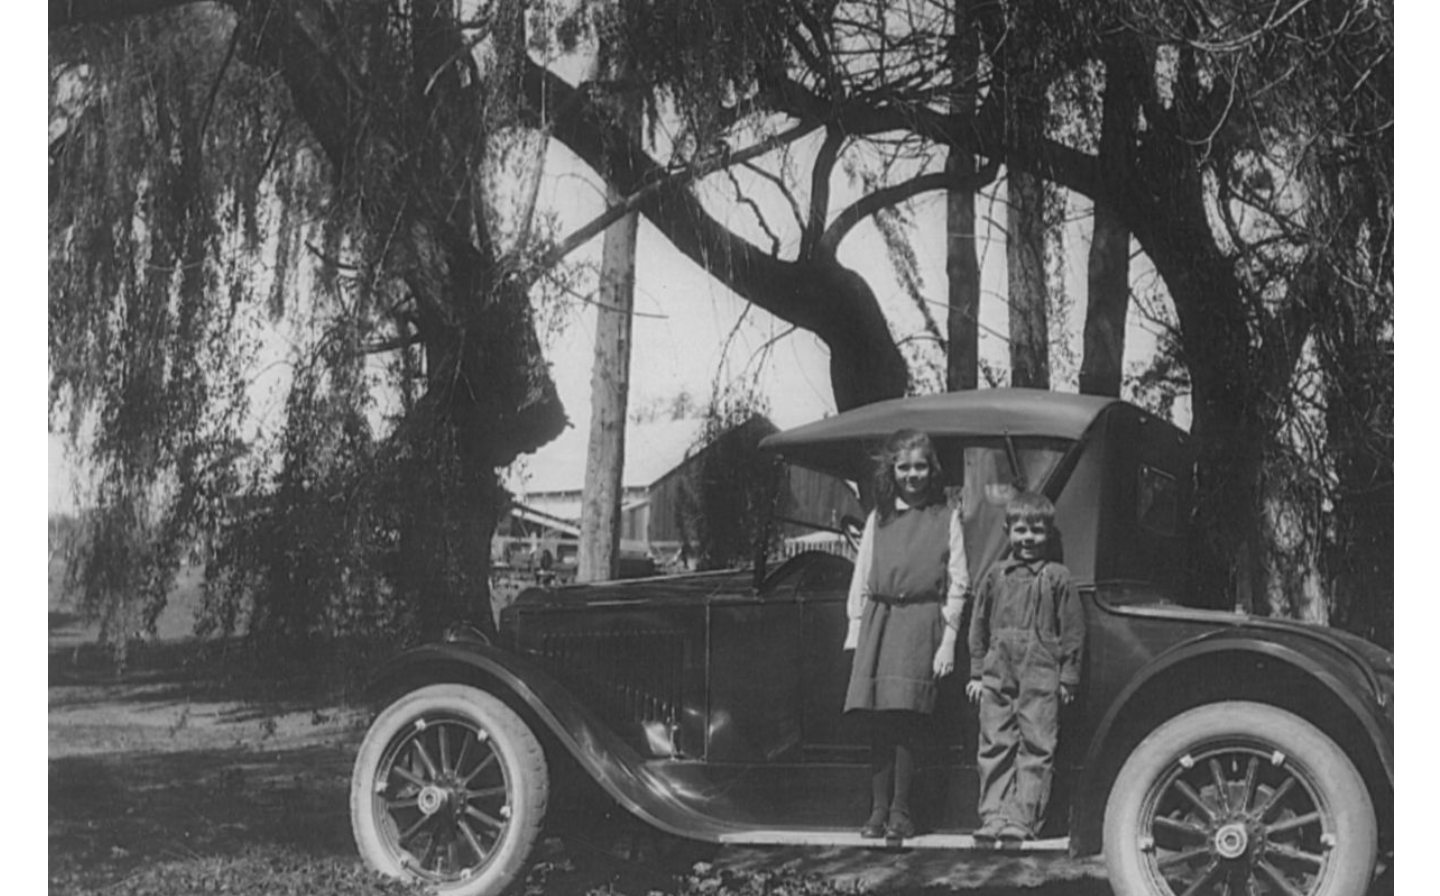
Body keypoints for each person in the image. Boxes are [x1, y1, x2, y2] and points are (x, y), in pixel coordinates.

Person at [843, 429, 968, 841]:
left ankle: (901, 810)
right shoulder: (880, 518)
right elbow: (862, 578)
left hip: (920, 622)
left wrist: (948, 639)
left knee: (907, 717)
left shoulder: (946, 516)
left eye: (920, 466)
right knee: (878, 720)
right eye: (904, 467)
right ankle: (877, 810)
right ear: (892, 471)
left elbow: (958, 583)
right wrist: (856, 632)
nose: (912, 474)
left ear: (931, 470)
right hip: (879, 621)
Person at [965, 491, 1084, 842]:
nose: (1028, 538)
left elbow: (1074, 632)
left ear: (1049, 534)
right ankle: (993, 817)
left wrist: (1069, 678)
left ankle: (1024, 819)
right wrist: (976, 672)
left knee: (1037, 743)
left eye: (1037, 531)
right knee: (994, 741)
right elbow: (979, 625)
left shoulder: (1058, 577)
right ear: (1007, 531)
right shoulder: (995, 575)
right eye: (1020, 530)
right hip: (997, 669)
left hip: (1041, 670)